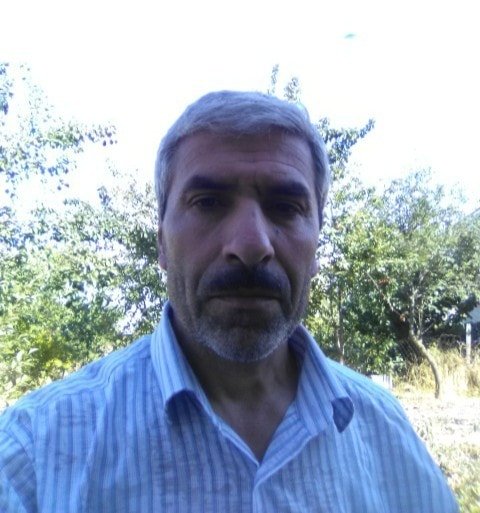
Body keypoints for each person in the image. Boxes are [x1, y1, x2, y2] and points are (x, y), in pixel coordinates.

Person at [0, 91, 458, 513]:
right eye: (208, 202)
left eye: (285, 207)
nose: (251, 244)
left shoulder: (385, 429)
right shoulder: (32, 456)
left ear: (317, 244)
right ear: (161, 244)